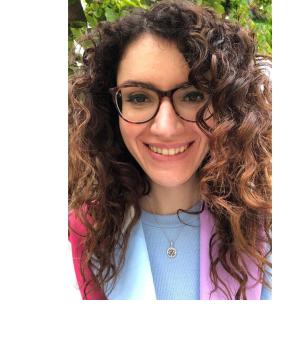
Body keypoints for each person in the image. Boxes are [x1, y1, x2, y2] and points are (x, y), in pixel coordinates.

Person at [68, 0, 272, 300]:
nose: (165, 127)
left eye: (192, 95)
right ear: (111, 109)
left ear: (227, 107)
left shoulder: (267, 231)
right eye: (139, 97)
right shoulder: (77, 237)